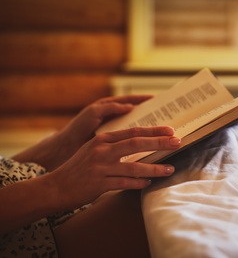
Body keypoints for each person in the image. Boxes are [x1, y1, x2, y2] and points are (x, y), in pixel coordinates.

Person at [0, 95, 182, 258]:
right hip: (24, 233)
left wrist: (60, 146)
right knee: (164, 204)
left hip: (30, 191)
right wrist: (57, 187)